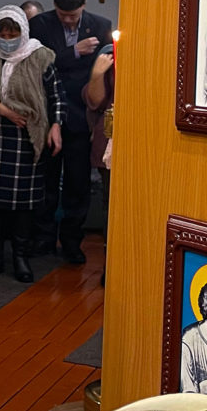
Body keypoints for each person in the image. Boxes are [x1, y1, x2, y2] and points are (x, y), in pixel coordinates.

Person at [0, 6, 63, 284]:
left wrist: (56, 126)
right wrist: (5, 111)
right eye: (3, 34)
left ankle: (20, 256)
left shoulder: (41, 56)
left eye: (13, 34)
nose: (7, 39)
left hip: (27, 137)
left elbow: (57, 96)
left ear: (23, 32)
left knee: (23, 203)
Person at [28, 0, 112, 263]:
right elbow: (41, 65)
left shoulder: (100, 26)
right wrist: (74, 51)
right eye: (62, 14)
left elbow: (101, 71)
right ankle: (43, 237)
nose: (67, 20)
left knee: (78, 184)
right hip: (46, 112)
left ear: (84, 6)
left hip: (81, 113)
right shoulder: (40, 24)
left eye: (72, 15)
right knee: (46, 181)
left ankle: (72, 241)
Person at [83, 43, 115, 286]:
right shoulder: (109, 54)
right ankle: (109, 264)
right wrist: (97, 74)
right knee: (110, 205)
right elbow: (94, 102)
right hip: (110, 142)